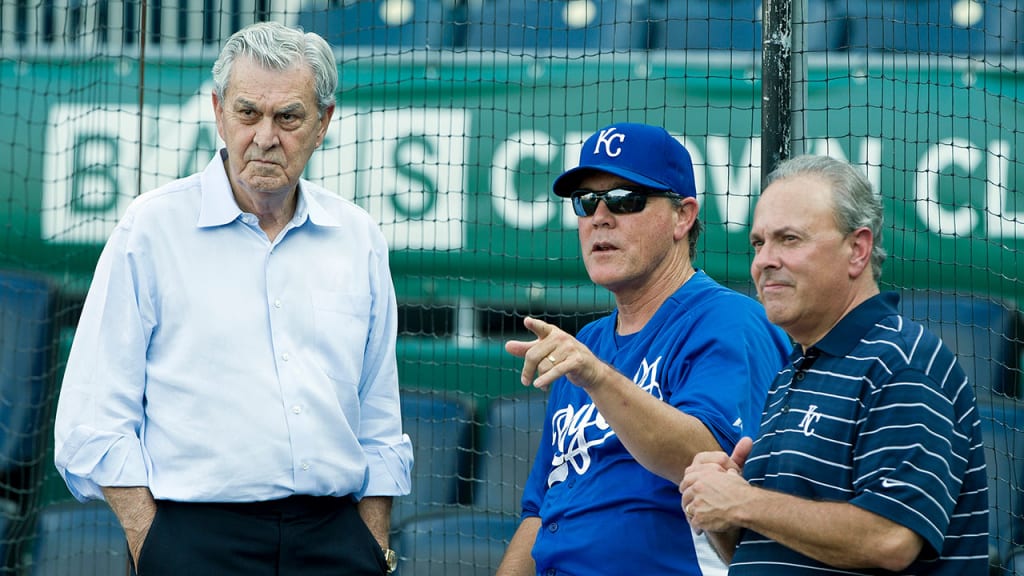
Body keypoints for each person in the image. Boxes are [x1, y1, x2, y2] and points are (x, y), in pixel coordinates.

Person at [53, 21, 412, 576]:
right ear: (219, 112)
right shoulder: (151, 229)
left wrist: (372, 545)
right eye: (248, 113)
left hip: (334, 541)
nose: (265, 136)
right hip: (194, 540)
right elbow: (94, 417)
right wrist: (153, 543)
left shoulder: (358, 238)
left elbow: (380, 418)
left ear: (324, 124)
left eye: (288, 117)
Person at [497, 122, 791, 576]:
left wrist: (597, 377)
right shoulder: (586, 346)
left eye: (624, 199)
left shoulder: (729, 322)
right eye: (586, 201)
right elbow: (539, 511)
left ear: (683, 216)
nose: (599, 216)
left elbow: (706, 463)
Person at [680, 155, 989, 575]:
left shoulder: (903, 363)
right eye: (758, 243)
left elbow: (890, 538)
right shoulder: (793, 371)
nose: (764, 260)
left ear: (857, 250)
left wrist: (745, 502)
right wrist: (720, 505)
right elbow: (773, 553)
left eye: (789, 239)